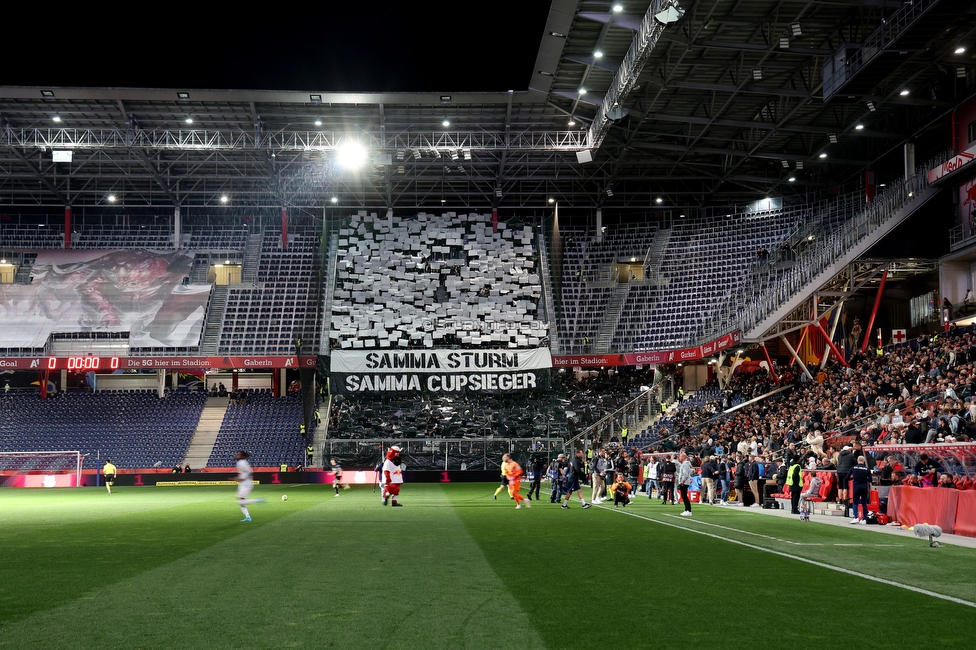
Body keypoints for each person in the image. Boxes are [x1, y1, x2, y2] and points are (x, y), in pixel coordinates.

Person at [234, 451, 264, 522]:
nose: (237, 455)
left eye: (239, 454)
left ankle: (258, 500)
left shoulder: (242, 462)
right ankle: (248, 517)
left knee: (240, 502)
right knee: (240, 501)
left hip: (246, 484)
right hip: (244, 484)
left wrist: (241, 479)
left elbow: (248, 471)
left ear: (242, 456)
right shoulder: (241, 462)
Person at [849, 456, 872, 524]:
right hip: (864, 487)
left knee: (855, 502)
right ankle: (864, 519)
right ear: (864, 461)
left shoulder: (853, 468)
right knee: (864, 502)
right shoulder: (867, 469)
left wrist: (854, 479)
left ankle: (856, 517)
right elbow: (870, 480)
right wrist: (865, 479)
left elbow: (847, 477)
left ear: (857, 460)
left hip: (856, 486)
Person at [676, 452, 694, 516]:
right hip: (684, 482)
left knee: (684, 497)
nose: (679, 458)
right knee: (684, 497)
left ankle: (688, 510)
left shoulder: (685, 465)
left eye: (680, 457)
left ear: (683, 457)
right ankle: (686, 509)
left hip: (684, 482)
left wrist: (682, 481)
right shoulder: (684, 464)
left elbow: (685, 474)